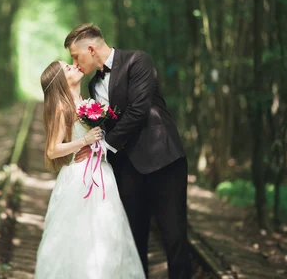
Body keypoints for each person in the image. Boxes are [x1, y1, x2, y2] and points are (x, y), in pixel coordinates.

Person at [66, 23, 192, 279]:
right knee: (134, 241)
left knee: (174, 236)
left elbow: (138, 110)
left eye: (75, 56)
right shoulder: (93, 86)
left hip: (163, 161)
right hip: (127, 169)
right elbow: (102, 125)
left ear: (91, 49)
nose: (75, 63)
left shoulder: (138, 61)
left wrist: (103, 146)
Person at [34, 60, 145, 279]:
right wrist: (84, 140)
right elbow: (52, 150)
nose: (73, 66)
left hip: (102, 172)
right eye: (67, 68)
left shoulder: (89, 100)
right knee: (81, 236)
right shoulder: (62, 107)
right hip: (79, 177)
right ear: (61, 81)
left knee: (108, 231)